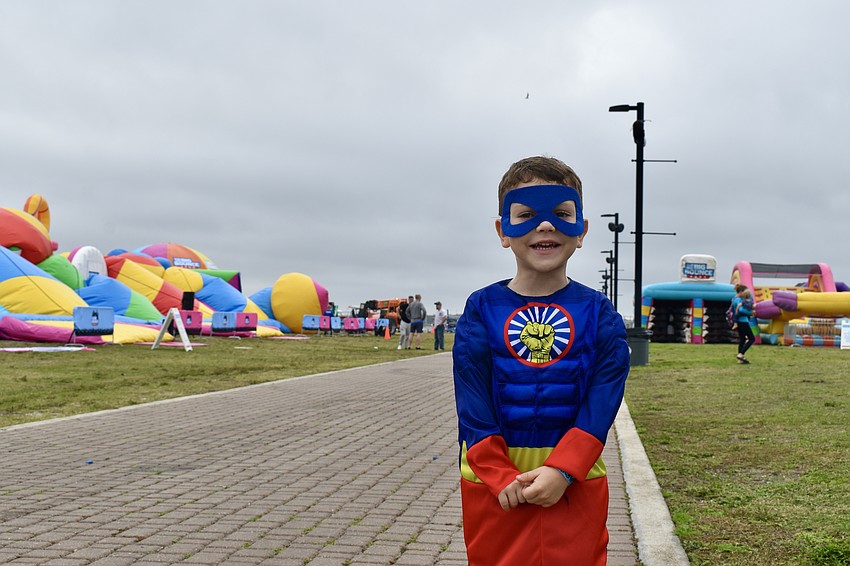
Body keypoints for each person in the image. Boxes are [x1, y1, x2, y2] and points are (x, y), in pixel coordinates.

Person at [452, 156, 630, 565]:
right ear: (503, 230)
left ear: (581, 230)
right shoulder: (481, 309)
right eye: (527, 215)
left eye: (561, 214)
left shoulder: (600, 313)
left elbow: (603, 398)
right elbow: (472, 398)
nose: (546, 225)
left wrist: (565, 469)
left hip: (575, 481)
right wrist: (497, 474)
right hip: (496, 485)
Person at [731, 284, 755, 364]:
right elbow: (741, 310)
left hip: (739, 322)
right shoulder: (738, 300)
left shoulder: (734, 298)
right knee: (752, 339)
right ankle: (741, 354)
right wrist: (751, 312)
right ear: (741, 292)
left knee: (743, 339)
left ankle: (740, 359)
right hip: (743, 321)